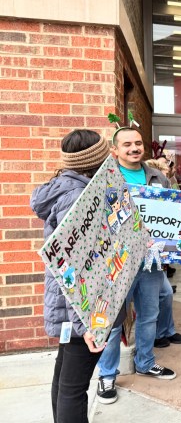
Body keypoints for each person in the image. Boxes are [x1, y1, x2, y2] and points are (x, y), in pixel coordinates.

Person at [96, 127, 181, 405]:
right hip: (118, 262)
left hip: (151, 259)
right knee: (111, 322)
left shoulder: (158, 176)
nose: (134, 148)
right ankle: (107, 375)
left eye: (137, 143)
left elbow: (173, 212)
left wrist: (175, 245)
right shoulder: (105, 178)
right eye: (127, 144)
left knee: (149, 314)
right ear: (115, 150)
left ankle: (145, 362)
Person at [30, 129, 110, 423]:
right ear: (95, 160)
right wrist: (86, 324)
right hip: (80, 309)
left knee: (65, 380)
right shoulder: (77, 198)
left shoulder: (69, 188)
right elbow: (71, 267)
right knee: (74, 388)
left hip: (73, 307)